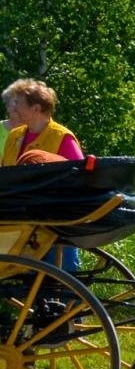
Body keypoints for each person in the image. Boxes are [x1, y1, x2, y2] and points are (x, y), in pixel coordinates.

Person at [4, 78, 85, 273]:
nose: (13, 108)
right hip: (21, 214)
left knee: (62, 270)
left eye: (19, 103)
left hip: (55, 216)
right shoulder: (14, 136)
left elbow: (80, 179)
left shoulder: (62, 137)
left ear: (36, 108)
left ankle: (64, 290)